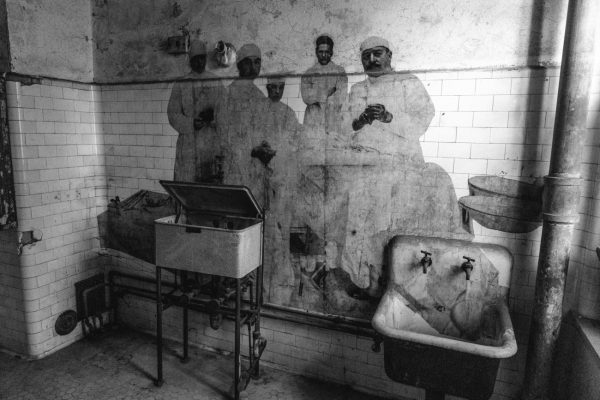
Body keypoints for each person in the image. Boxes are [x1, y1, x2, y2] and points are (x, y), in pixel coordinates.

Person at [167, 40, 225, 182]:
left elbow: (226, 109)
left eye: (202, 58)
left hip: (210, 141)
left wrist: (214, 116)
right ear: (190, 60)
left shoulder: (216, 81)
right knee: (188, 182)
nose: (199, 62)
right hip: (188, 143)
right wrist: (191, 123)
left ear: (205, 58)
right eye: (195, 59)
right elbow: (173, 114)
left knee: (210, 184)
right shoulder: (181, 84)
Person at [300, 35, 347, 132]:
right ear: (316, 52)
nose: (324, 55)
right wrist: (328, 93)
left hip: (333, 118)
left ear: (331, 52)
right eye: (321, 52)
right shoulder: (308, 73)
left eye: (327, 52)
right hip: (313, 119)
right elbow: (306, 97)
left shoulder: (340, 71)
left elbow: (341, 97)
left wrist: (316, 95)